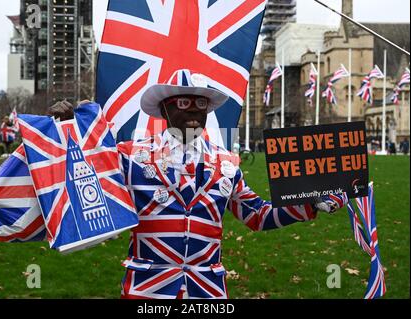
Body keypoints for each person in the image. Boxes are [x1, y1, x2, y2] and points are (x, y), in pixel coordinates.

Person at [51, 69, 347, 299]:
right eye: (184, 103)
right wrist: (67, 131)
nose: (194, 110)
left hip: (207, 290)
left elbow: (257, 215)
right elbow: (83, 180)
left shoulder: (227, 163)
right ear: (165, 110)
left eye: (201, 104)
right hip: (148, 288)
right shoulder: (131, 156)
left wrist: (308, 202)